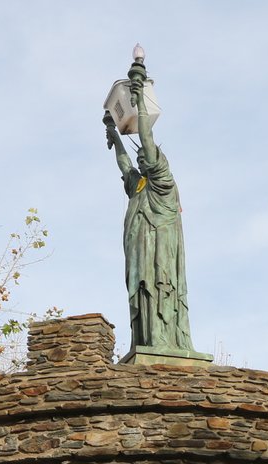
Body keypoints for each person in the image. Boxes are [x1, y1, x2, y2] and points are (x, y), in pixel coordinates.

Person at [104, 54, 195, 354]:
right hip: (140, 256)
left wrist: (139, 97)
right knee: (143, 296)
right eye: (141, 157)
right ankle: (145, 342)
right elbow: (123, 164)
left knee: (160, 294)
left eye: (148, 155)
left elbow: (145, 135)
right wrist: (114, 137)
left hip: (161, 257)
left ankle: (165, 343)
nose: (143, 158)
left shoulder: (161, 182)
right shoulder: (139, 185)